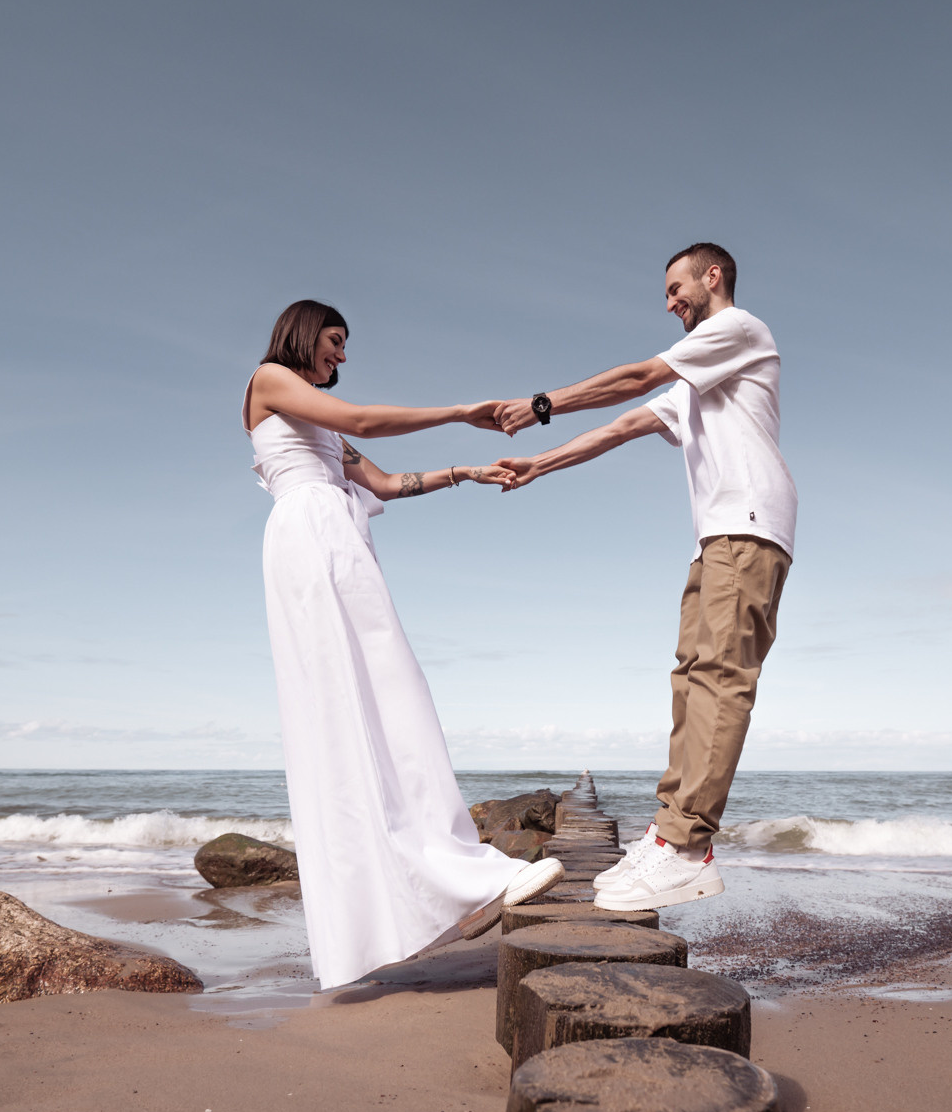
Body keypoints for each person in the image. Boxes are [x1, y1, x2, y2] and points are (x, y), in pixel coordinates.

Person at [244, 299, 562, 989]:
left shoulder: (319, 426)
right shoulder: (269, 380)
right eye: (335, 341)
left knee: (394, 699)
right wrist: (459, 411)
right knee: (340, 716)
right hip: (309, 544)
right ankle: (388, 911)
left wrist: (464, 471)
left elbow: (386, 482)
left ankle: (445, 879)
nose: (342, 356)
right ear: (303, 333)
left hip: (342, 543)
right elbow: (359, 419)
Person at [492, 243, 795, 912]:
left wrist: (542, 402)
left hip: (748, 524)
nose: (669, 302)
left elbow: (632, 378)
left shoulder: (739, 331)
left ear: (713, 277)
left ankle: (687, 845)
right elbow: (625, 422)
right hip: (717, 534)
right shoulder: (698, 380)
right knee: (691, 676)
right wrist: (541, 462)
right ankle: (667, 837)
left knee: (719, 676)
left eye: (676, 286)